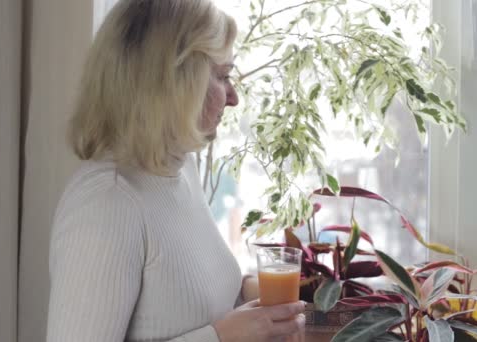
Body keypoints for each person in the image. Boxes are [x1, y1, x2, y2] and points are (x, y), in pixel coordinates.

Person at [45, 0, 306, 341]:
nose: (234, 98)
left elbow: (182, 301)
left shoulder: (181, 170)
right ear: (176, 81)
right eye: (223, 77)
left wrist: (253, 295)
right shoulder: (107, 201)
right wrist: (221, 338)